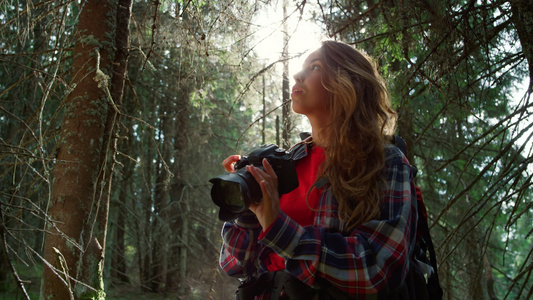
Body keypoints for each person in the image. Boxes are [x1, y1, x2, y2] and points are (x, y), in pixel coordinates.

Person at [218, 40, 421, 299]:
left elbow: (378, 269)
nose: (297, 74)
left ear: (348, 83)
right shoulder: (285, 164)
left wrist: (278, 229)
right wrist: (247, 208)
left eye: (314, 66)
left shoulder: (384, 161)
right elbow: (234, 265)